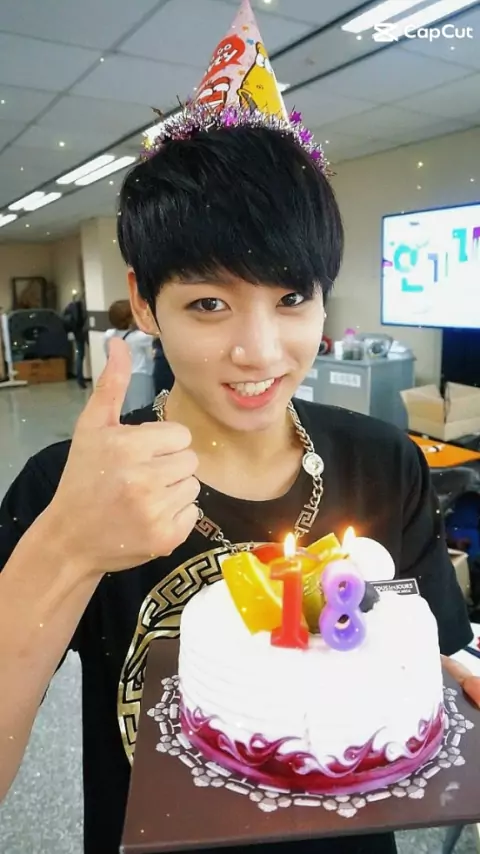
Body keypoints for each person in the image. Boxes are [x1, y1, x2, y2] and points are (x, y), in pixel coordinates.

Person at [0, 4, 479, 854]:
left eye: (292, 297)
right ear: (145, 301)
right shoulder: (71, 485)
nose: (259, 350)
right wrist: (66, 547)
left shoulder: (382, 461)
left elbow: (438, 657)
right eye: (208, 304)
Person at [104, 299, 155, 415]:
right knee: (141, 412)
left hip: (117, 376)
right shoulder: (141, 337)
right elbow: (151, 355)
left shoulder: (108, 336)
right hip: (139, 377)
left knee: (124, 411)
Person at [63, 294, 88, 389]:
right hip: (82, 332)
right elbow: (83, 319)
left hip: (76, 333)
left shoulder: (70, 306)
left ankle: (80, 379)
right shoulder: (82, 306)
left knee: (79, 356)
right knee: (81, 355)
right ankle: (81, 379)